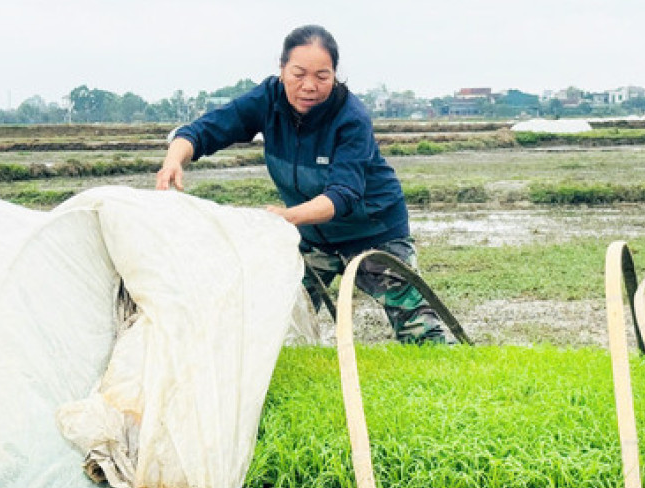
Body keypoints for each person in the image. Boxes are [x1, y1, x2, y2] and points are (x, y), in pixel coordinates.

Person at [156, 24, 448, 344]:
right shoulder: (267, 100)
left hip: (373, 231)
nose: (309, 86)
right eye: (299, 74)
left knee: (418, 327)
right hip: (312, 236)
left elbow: (343, 195)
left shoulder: (351, 118)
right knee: (281, 319)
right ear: (281, 70)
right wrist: (174, 159)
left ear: (335, 74)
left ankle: (449, 379)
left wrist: (287, 216)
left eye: (322, 76)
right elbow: (204, 130)